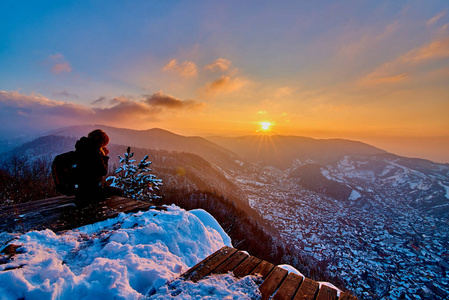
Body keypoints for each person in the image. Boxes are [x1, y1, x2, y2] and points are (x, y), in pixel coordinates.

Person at [74, 129, 122, 206]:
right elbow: (103, 171)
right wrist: (104, 157)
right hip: (92, 191)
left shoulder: (82, 148)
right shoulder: (93, 152)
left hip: (81, 190)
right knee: (118, 192)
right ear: (100, 143)